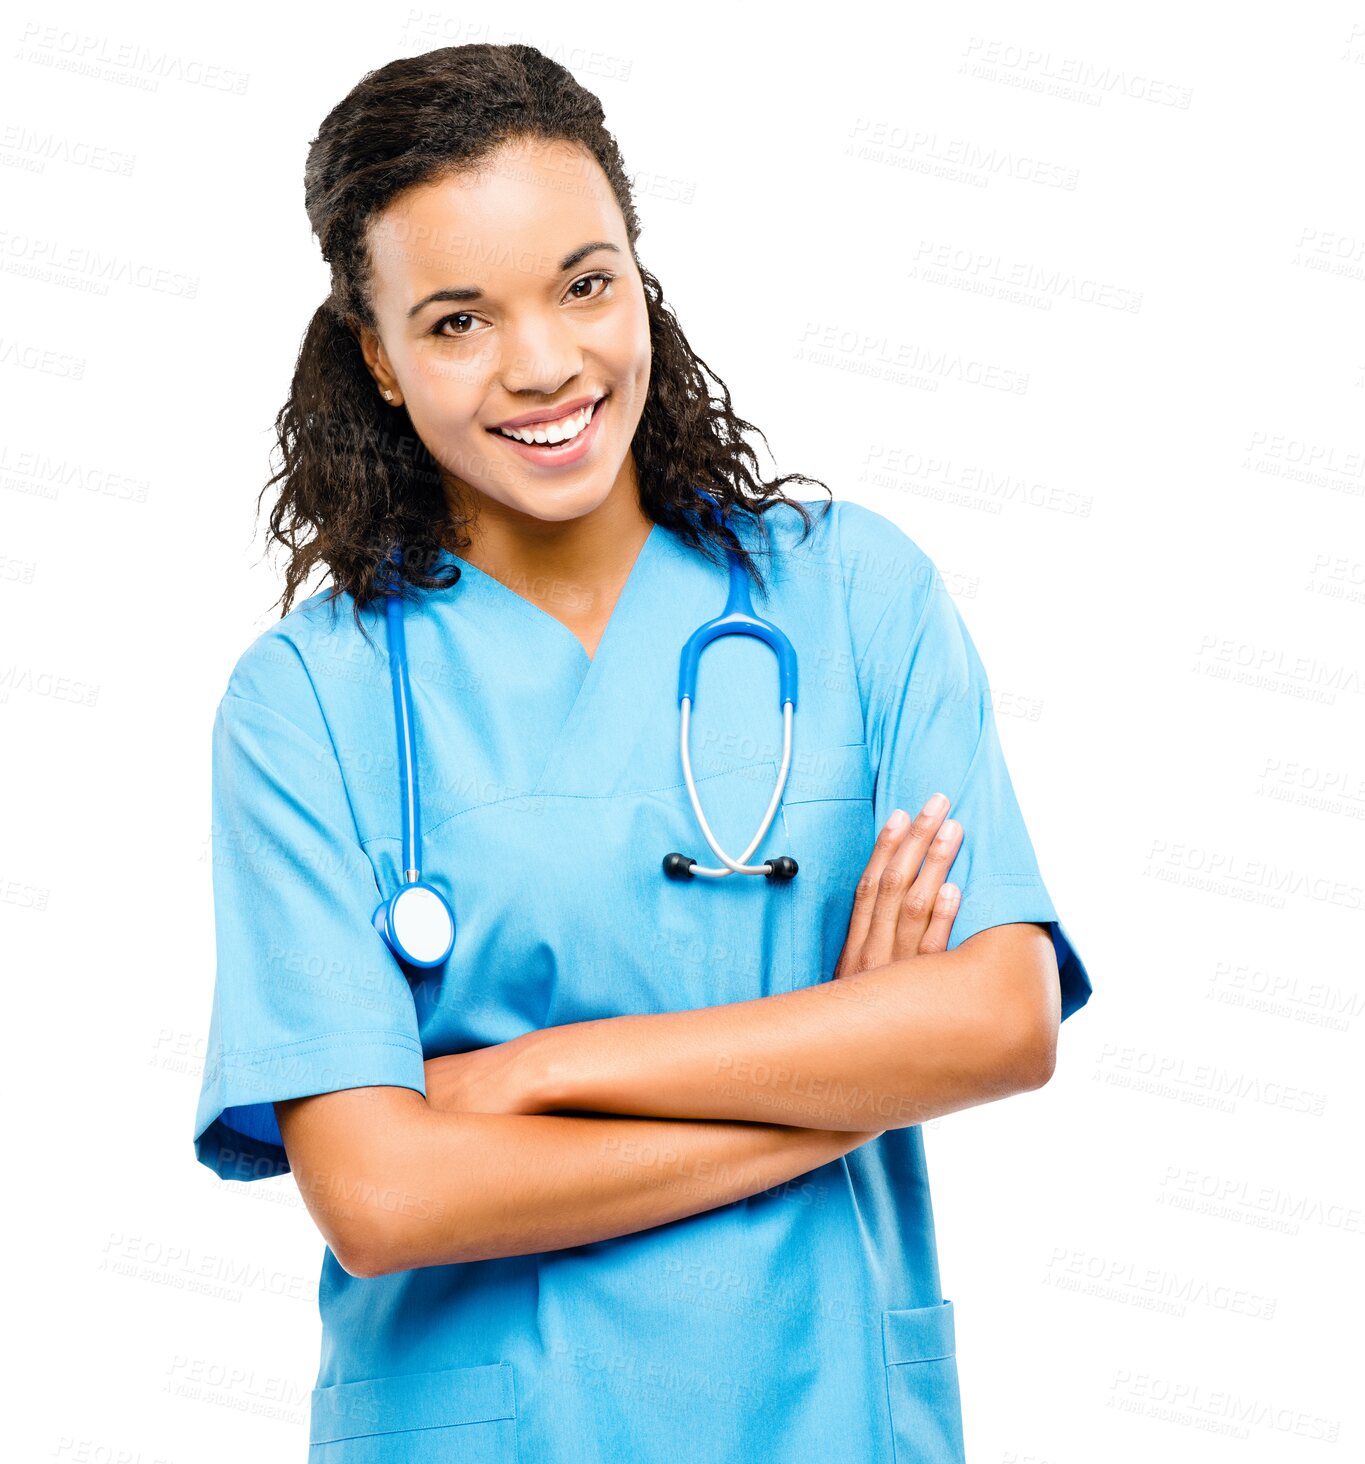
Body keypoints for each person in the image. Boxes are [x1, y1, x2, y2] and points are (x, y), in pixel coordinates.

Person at [192, 42, 1092, 1462]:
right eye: (455, 321)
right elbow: (382, 1201)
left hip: (825, 1415)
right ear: (374, 357)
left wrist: (536, 1071)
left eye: (583, 283)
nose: (544, 362)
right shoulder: (308, 703)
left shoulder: (855, 597)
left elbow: (1000, 1023)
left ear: (638, 280)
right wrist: (847, 1087)